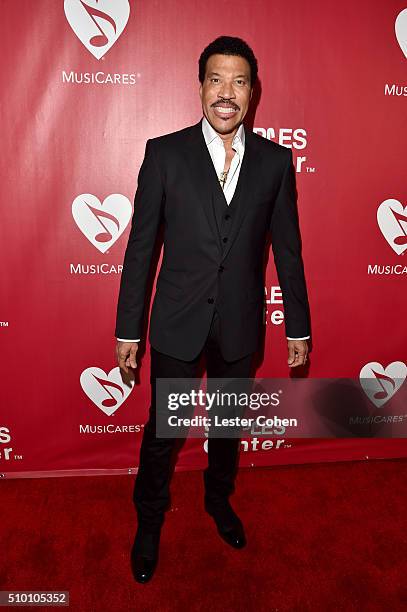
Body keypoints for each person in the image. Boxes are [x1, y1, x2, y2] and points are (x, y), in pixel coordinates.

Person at [115, 35, 311, 583]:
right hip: (177, 322)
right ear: (201, 86)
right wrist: (127, 328)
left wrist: (298, 322)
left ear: (254, 92)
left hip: (241, 322)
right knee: (164, 431)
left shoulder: (275, 162)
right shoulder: (164, 153)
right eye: (217, 79)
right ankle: (149, 520)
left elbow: (288, 250)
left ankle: (218, 502)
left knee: (226, 427)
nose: (227, 92)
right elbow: (140, 248)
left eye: (239, 81)